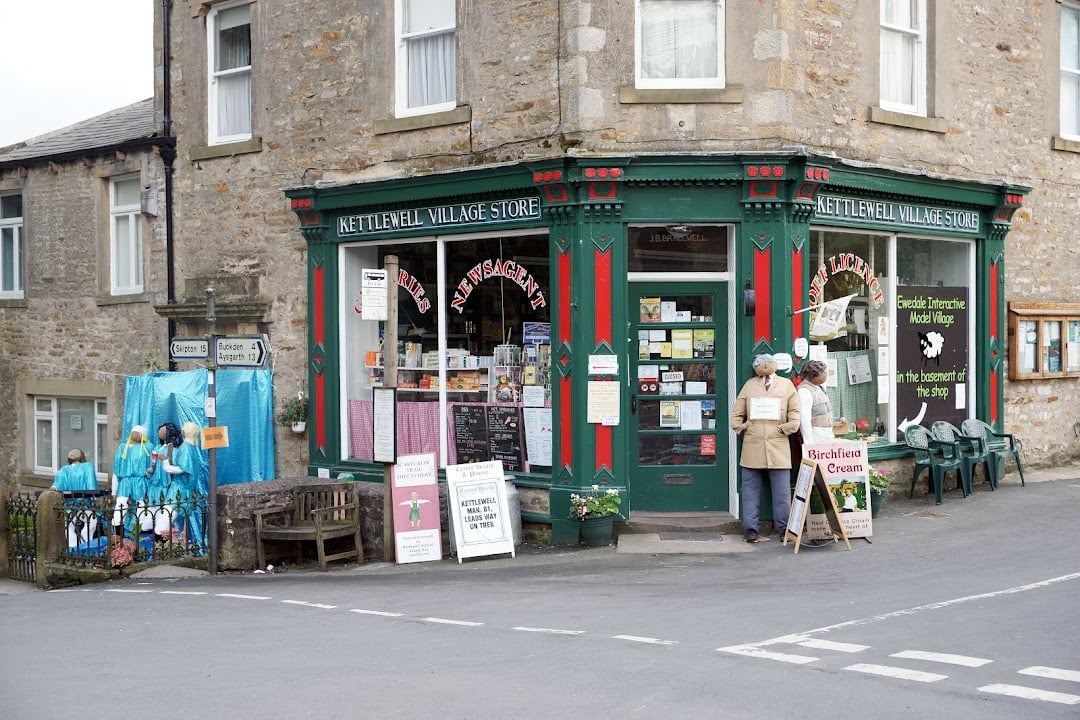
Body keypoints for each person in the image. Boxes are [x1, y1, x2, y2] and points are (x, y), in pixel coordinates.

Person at [730, 354, 800, 543]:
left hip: (778, 444)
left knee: (782, 493)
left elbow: (795, 414)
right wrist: (741, 426)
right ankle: (751, 531)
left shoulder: (786, 385)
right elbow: (737, 413)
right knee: (750, 492)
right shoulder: (749, 385)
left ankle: (784, 530)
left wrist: (784, 428)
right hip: (753, 445)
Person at [162, 422, 208, 552]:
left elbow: (183, 469)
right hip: (183, 489)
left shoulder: (186, 447)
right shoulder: (191, 448)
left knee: (165, 520)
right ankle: (175, 543)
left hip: (179, 489)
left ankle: (166, 548)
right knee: (174, 520)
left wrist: (166, 466)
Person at [111, 425, 153, 538]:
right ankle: (118, 537)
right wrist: (114, 491)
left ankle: (138, 534)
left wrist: (149, 473)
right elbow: (116, 470)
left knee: (141, 507)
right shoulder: (123, 448)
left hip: (140, 481)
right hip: (127, 482)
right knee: (121, 507)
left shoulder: (147, 447)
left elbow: (151, 467)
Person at [147, 422, 183, 539]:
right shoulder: (156, 448)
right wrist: (151, 469)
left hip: (166, 483)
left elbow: (172, 464)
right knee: (154, 511)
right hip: (155, 483)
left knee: (165, 513)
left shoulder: (173, 449)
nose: (161, 433)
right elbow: (152, 462)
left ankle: (165, 536)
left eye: (164, 431)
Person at [796, 360, 837, 446]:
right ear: (813, 375)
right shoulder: (805, 390)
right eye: (824, 372)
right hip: (816, 434)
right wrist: (809, 442)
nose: (826, 375)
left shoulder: (818, 387)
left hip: (825, 433)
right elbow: (804, 418)